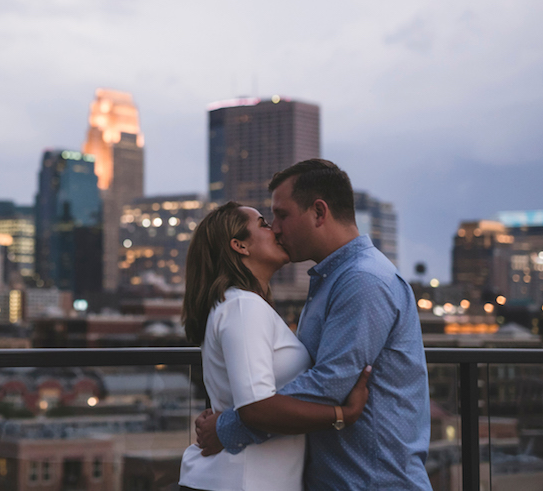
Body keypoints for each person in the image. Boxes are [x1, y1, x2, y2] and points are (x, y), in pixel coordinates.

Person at [195, 159, 432, 491]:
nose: (275, 227)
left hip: (372, 482)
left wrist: (227, 427)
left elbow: (328, 385)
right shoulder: (331, 279)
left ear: (319, 213)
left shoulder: (363, 281)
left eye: (282, 215)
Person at [178, 201, 370, 490]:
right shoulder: (242, 307)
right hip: (237, 480)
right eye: (264, 225)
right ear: (240, 246)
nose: (276, 230)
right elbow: (256, 408)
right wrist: (342, 415)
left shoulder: (244, 306)